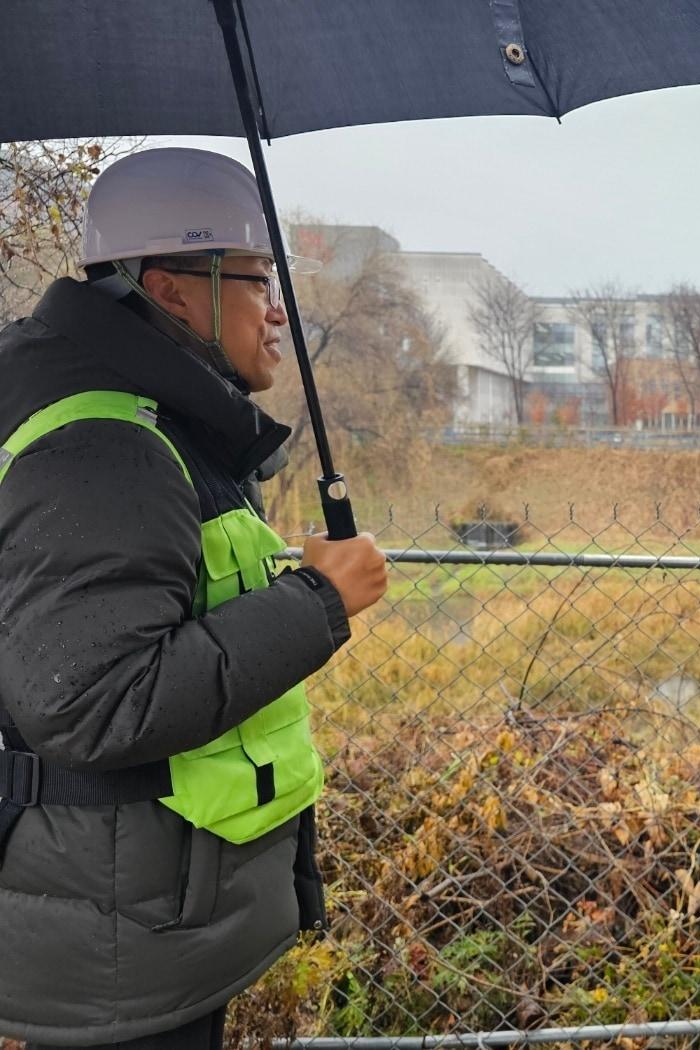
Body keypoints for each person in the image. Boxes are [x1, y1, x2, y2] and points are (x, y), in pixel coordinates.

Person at [0, 148, 388, 1048]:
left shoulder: (151, 416)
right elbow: (92, 700)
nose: (279, 310)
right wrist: (317, 601)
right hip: (116, 948)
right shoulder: (105, 444)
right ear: (173, 290)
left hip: (129, 920)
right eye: (259, 280)